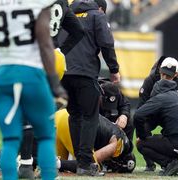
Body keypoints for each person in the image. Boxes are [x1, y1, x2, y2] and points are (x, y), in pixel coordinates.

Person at [0, 0, 68, 179]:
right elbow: (45, 44)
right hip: (31, 72)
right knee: (45, 135)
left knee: (10, 139)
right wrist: (54, 83)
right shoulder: (38, 3)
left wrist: (6, 62)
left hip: (3, 75)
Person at [17, 0, 84, 178]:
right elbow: (79, 31)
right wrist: (62, 50)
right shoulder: (62, 2)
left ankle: (26, 163)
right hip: (55, 58)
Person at [61, 0, 121, 176]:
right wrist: (114, 69)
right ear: (101, 8)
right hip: (85, 73)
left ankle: (80, 160)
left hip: (63, 72)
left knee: (75, 115)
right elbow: (106, 43)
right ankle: (85, 163)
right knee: (90, 116)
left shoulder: (66, 13)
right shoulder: (97, 15)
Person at [0, 109, 135, 174]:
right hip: (71, 124)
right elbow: (93, 159)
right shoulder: (121, 145)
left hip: (64, 115)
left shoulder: (115, 131)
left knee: (52, 162)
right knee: (89, 165)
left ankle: (4, 155)